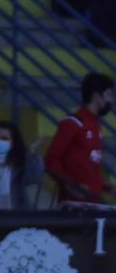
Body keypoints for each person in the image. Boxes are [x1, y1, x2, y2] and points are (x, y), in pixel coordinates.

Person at [44, 72, 113, 205]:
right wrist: (70, 185)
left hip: (93, 203)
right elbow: (51, 159)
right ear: (96, 95)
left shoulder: (96, 125)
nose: (111, 100)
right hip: (73, 205)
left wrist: (106, 187)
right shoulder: (73, 122)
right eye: (109, 94)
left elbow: (90, 169)